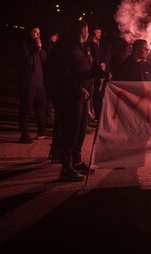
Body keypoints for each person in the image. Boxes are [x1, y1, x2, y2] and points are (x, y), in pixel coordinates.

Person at [57, 20, 103, 181]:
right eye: (85, 30)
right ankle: (66, 167)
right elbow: (61, 76)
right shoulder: (66, 49)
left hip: (84, 96)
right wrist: (77, 88)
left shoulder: (85, 48)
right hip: (71, 96)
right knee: (71, 131)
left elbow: (89, 68)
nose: (88, 33)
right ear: (78, 32)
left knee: (81, 130)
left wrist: (101, 72)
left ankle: (76, 161)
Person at [17, 26, 50, 143]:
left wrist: (40, 49)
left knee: (41, 107)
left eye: (39, 32)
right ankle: (24, 134)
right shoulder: (24, 44)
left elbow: (45, 58)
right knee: (26, 109)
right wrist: (36, 49)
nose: (37, 34)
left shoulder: (37, 46)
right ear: (30, 32)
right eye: (35, 32)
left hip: (39, 83)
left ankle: (42, 131)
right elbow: (29, 61)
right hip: (28, 82)